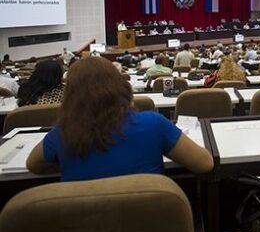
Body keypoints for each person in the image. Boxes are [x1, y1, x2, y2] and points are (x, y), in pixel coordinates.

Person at [26, 57, 213, 181]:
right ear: (118, 85)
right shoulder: (153, 123)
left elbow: (33, 165)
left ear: (70, 94)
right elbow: (205, 163)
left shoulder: (62, 133)